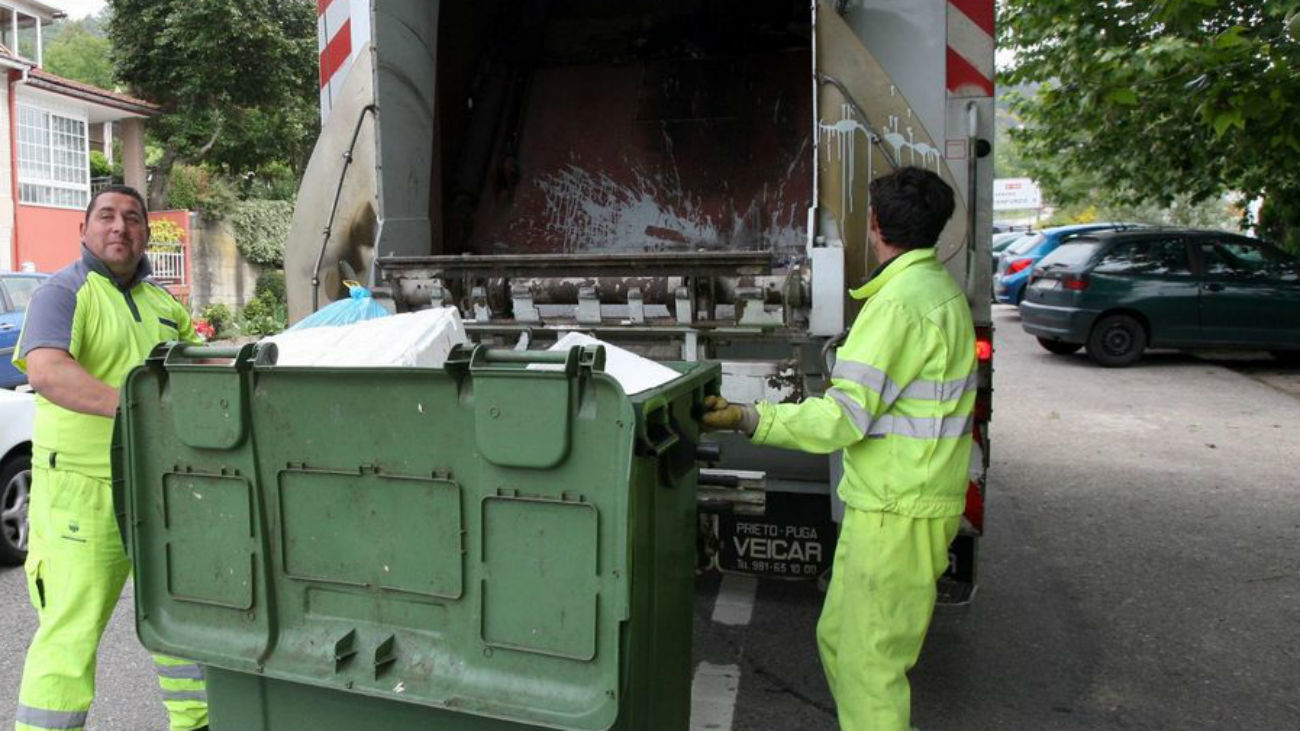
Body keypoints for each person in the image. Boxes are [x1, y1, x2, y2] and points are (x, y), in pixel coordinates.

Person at [703, 167, 975, 731]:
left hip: (897, 511)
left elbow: (842, 419)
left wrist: (748, 416)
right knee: (839, 638)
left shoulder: (898, 306)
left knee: (868, 665)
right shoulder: (935, 291)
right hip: (897, 502)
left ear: (873, 225)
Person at [11, 186, 208, 731]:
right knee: (70, 634)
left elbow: (195, 375)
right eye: (106, 216)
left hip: (160, 488)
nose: (119, 227)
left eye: (132, 218)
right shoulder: (63, 292)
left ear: (147, 231)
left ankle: (197, 722)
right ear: (84, 230)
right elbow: (47, 372)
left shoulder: (163, 304)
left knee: (184, 619)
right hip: (82, 492)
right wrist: (139, 408)